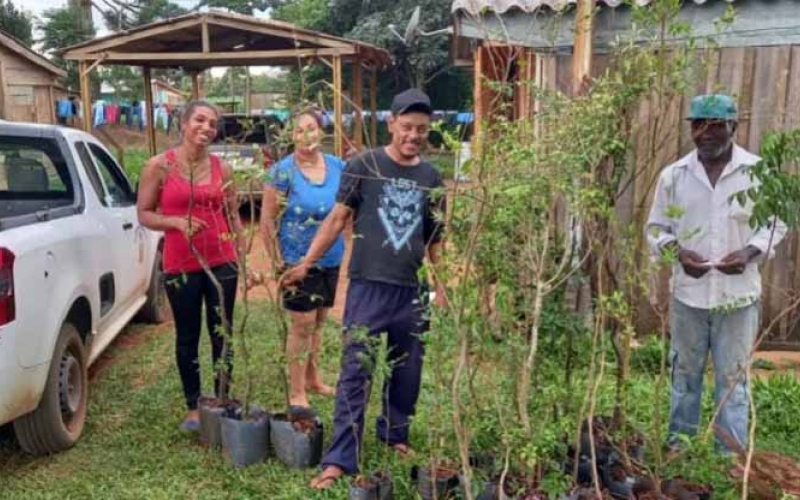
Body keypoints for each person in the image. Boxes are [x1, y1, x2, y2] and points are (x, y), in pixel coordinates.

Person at [283, 88, 447, 489]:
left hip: (412, 290)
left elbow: (435, 238)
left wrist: (442, 285)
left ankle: (395, 433)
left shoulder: (431, 178)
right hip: (368, 286)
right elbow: (337, 219)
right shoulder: (364, 165)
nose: (413, 135)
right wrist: (306, 263)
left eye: (421, 129)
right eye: (406, 127)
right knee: (356, 370)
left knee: (407, 370)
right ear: (391, 123)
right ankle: (340, 457)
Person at [646, 94, 787, 452]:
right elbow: (656, 228)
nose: (705, 133)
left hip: (737, 297)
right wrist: (678, 253)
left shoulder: (758, 172)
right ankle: (679, 451)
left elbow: (776, 223)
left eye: (715, 125)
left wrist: (749, 253)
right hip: (688, 298)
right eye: (698, 125)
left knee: (732, 381)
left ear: (733, 127)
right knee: (684, 376)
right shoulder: (674, 176)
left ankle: (730, 460)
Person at [137, 100, 246, 432]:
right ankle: (194, 406)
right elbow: (144, 213)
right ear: (184, 123)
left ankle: (223, 399)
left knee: (222, 333)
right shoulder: (159, 166)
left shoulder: (222, 169)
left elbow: (233, 217)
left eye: (212, 124)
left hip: (222, 262)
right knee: (187, 335)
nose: (206, 128)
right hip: (181, 264)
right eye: (200, 120)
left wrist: (242, 259)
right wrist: (175, 222)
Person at [260, 109, 345, 412]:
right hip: (296, 261)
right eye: (299, 130)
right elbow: (267, 221)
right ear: (291, 136)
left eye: (311, 128)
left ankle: (313, 379)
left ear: (321, 132)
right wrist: (278, 264)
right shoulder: (282, 172)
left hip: (331, 257)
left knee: (319, 320)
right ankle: (296, 391)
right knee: (302, 324)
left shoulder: (338, 166)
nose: (306, 136)